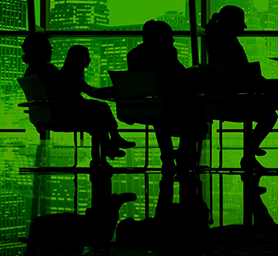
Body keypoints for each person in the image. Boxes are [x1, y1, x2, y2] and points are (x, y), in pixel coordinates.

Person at [21, 34, 133, 162]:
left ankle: (107, 149)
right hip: (61, 114)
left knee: (99, 114)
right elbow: (65, 90)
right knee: (100, 112)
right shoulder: (48, 70)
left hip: (50, 113)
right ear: (39, 50)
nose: (51, 50)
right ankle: (105, 152)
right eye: (48, 48)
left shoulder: (32, 71)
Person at [205, 6, 278, 167]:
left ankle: (250, 151)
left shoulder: (214, 41)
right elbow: (246, 76)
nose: (244, 26)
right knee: (270, 116)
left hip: (218, 101)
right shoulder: (231, 46)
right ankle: (250, 151)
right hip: (236, 103)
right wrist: (269, 86)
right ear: (231, 23)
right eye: (241, 21)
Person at [127, 20, 205, 172]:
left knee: (160, 116)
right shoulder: (168, 52)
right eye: (170, 35)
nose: (173, 39)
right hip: (172, 104)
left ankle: (168, 157)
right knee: (193, 115)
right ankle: (183, 155)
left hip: (146, 105)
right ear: (161, 37)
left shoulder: (134, 55)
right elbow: (179, 75)